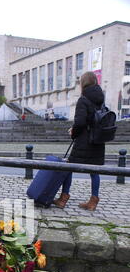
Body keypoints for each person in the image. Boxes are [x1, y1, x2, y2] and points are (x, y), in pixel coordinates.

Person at [53, 71, 105, 211]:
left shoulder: (83, 99)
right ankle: (93, 201)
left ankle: (63, 198)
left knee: (69, 168)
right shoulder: (101, 98)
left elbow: (80, 122)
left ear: (83, 83)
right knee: (94, 171)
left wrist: (73, 132)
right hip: (98, 141)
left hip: (84, 142)